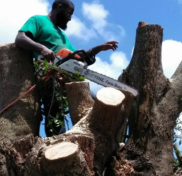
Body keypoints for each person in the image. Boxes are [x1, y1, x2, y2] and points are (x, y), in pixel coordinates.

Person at [15, 0, 118, 136]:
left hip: (68, 77)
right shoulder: (38, 20)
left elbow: (77, 55)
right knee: (55, 113)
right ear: (59, 8)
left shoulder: (63, 36)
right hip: (50, 75)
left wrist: (98, 48)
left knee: (94, 101)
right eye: (69, 13)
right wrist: (41, 48)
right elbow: (20, 38)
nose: (70, 17)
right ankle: (57, 142)